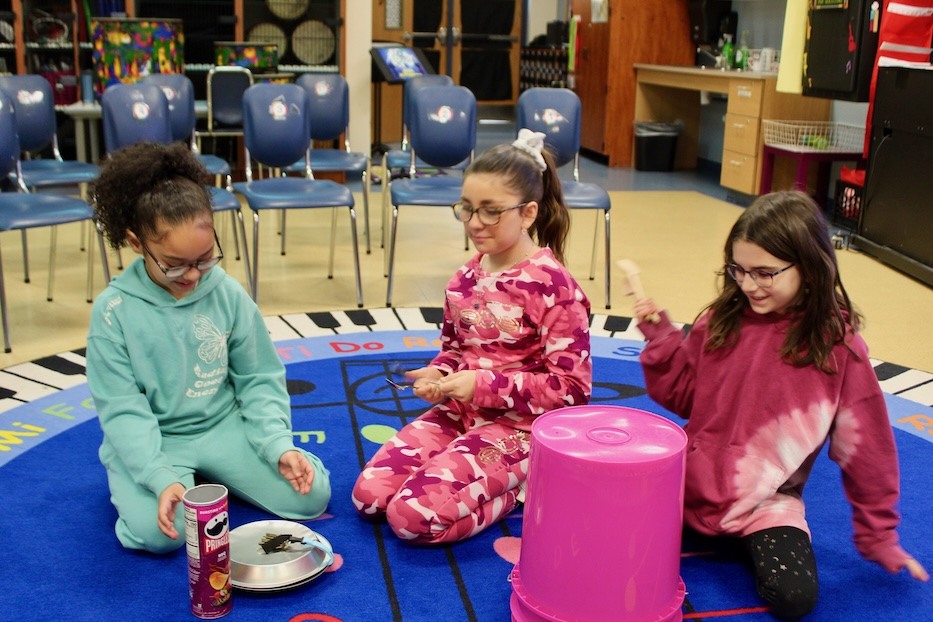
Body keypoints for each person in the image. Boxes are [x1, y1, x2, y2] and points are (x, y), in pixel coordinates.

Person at [633, 191, 928, 619]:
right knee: (610, 533)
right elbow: (683, 398)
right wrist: (662, 342)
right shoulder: (719, 321)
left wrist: (878, 534)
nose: (748, 284)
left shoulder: (837, 349)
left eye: (765, 273)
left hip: (767, 505)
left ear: (808, 267)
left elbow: (867, 452)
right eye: (738, 270)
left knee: (795, 599)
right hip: (689, 489)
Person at [87, 142, 330, 554]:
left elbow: (258, 377)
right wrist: (160, 476)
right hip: (158, 439)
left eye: (204, 258)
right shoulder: (113, 313)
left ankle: (221, 475)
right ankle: (137, 478)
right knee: (158, 534)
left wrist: (277, 445)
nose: (193, 275)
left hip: (224, 426)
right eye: (174, 263)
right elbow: (122, 409)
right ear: (134, 242)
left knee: (310, 497)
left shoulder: (228, 294)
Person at [352, 129, 592, 544]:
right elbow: (455, 351)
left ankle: (522, 486)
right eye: (466, 209)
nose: (474, 223)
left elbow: (572, 390)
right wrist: (438, 375)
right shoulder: (465, 277)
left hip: (522, 429)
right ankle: (481, 473)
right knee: (370, 499)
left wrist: (482, 385)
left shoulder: (554, 287)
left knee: (413, 519)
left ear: (529, 213)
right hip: (461, 414)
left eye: (491, 211)